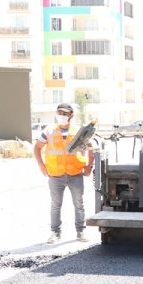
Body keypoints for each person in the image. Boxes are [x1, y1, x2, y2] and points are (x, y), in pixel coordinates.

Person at [33, 103, 94, 243]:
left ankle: (81, 232)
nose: (61, 116)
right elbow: (37, 148)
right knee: (56, 205)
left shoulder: (79, 131)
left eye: (65, 113)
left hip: (75, 173)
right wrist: (41, 165)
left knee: (79, 204)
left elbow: (91, 147)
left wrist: (89, 166)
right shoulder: (49, 131)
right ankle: (55, 233)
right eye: (59, 113)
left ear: (71, 115)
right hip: (55, 174)